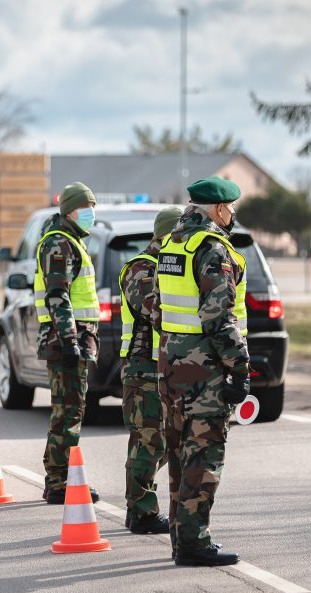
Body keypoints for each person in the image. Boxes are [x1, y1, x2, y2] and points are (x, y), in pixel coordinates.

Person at [157, 177, 250, 567]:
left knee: (181, 452)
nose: (233, 215)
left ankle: (182, 538)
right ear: (220, 209)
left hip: (173, 361)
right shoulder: (212, 249)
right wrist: (238, 366)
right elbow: (217, 314)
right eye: (232, 208)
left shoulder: (172, 244)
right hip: (205, 365)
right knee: (204, 454)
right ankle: (194, 543)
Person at [35, 182, 101, 505]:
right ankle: (59, 482)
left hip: (73, 340)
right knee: (67, 412)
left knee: (71, 410)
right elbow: (58, 297)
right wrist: (70, 339)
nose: (91, 214)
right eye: (86, 208)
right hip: (65, 342)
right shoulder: (59, 244)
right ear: (71, 211)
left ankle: (60, 478)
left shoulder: (71, 241)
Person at [118, 206, 183, 534]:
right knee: (148, 441)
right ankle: (140, 511)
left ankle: (139, 500)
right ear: (168, 234)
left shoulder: (174, 266)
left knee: (165, 442)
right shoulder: (141, 268)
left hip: (168, 367)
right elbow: (154, 310)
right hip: (143, 368)